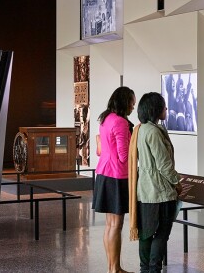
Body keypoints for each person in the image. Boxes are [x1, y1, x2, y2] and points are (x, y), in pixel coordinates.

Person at [129, 93, 181, 273]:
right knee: (161, 234)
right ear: (155, 109)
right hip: (159, 192)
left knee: (145, 234)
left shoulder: (142, 129)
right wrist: (177, 182)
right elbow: (163, 164)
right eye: (163, 106)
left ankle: (145, 269)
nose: (166, 109)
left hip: (145, 191)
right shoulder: (153, 132)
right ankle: (153, 270)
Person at [94, 86, 136, 273]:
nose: (133, 107)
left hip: (104, 173)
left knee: (110, 224)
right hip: (117, 176)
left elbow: (101, 148)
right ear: (124, 102)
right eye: (131, 103)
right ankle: (115, 269)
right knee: (116, 225)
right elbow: (123, 156)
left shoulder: (105, 119)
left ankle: (112, 267)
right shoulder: (120, 122)